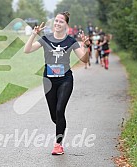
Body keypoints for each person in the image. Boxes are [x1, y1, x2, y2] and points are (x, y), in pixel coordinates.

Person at [24, 11, 90, 155]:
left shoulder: (71, 41)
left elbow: (84, 60)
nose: (58, 23)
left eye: (61, 21)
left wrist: (86, 46)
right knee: (54, 115)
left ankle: (58, 144)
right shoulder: (46, 39)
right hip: (48, 80)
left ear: (66, 25)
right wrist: (34, 34)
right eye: (56, 21)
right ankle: (61, 125)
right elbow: (27, 50)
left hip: (65, 79)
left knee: (60, 110)